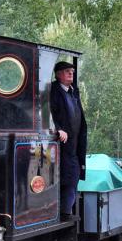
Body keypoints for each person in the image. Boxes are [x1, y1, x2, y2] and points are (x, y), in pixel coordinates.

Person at [49, 60, 87, 217]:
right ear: (58, 75)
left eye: (72, 71)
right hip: (61, 144)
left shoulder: (73, 91)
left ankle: (66, 210)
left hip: (74, 143)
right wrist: (58, 128)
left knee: (74, 175)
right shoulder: (53, 91)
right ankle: (63, 212)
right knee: (67, 177)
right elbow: (48, 111)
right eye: (67, 71)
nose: (71, 73)